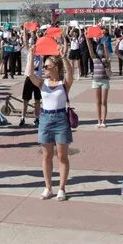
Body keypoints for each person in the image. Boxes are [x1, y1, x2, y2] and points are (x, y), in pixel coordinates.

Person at [25, 39, 73, 201]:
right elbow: (30, 74)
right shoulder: (42, 83)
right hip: (45, 118)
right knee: (46, 155)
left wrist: (63, 57)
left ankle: (61, 188)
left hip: (61, 119)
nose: (43, 68)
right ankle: (48, 187)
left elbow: (70, 73)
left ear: (55, 68)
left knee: (62, 156)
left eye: (46, 66)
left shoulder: (63, 84)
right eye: (43, 66)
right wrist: (31, 54)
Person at [85, 31, 111, 128]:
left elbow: (107, 53)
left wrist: (104, 45)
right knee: (97, 102)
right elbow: (90, 48)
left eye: (102, 50)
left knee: (104, 102)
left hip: (104, 81)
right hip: (96, 81)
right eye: (99, 49)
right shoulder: (94, 58)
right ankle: (98, 120)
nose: (100, 51)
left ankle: (103, 121)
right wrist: (87, 38)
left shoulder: (106, 59)